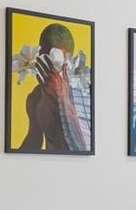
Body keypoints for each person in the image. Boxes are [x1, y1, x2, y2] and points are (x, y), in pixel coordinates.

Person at [17, 22, 92, 152]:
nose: (52, 69)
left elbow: (85, 147)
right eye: (46, 61)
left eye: (58, 62)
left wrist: (62, 98)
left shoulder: (83, 95)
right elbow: (32, 142)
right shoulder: (36, 97)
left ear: (68, 62)